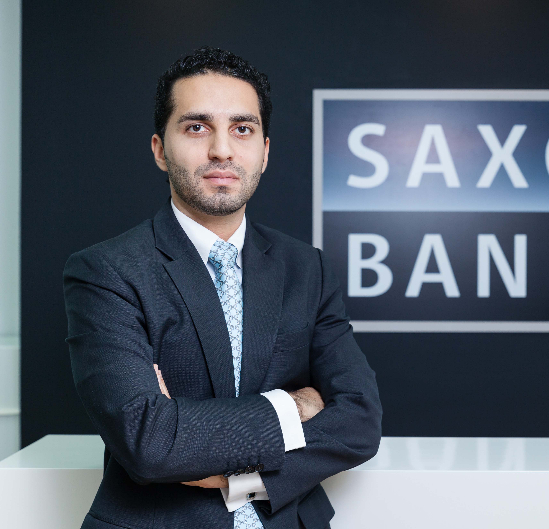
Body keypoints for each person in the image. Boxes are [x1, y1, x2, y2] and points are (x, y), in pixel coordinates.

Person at [63, 47, 382, 529]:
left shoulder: (307, 268)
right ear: (160, 150)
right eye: (196, 127)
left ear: (264, 151)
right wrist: (293, 405)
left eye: (242, 129)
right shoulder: (106, 271)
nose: (222, 150)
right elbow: (149, 443)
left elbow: (359, 419)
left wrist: (240, 477)